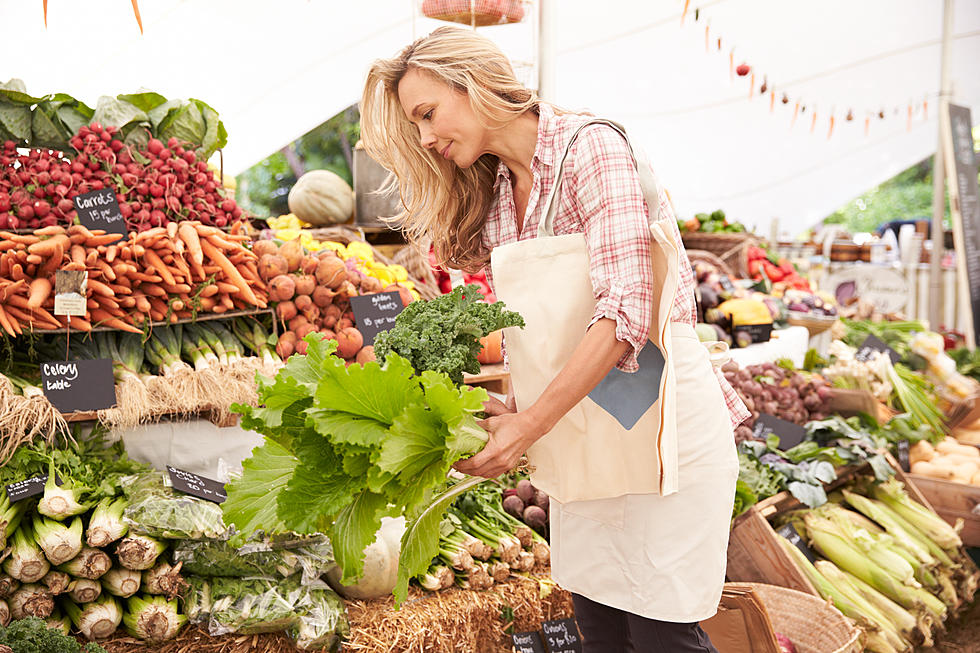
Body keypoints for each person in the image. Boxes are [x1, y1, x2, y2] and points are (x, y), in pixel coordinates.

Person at [360, 27, 748, 653]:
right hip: (583, 436)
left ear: (475, 84)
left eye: (428, 115)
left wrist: (532, 422)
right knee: (600, 632)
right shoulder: (499, 202)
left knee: (660, 634)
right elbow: (540, 330)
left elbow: (625, 315)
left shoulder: (590, 148)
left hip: (658, 430)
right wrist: (514, 410)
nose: (426, 139)